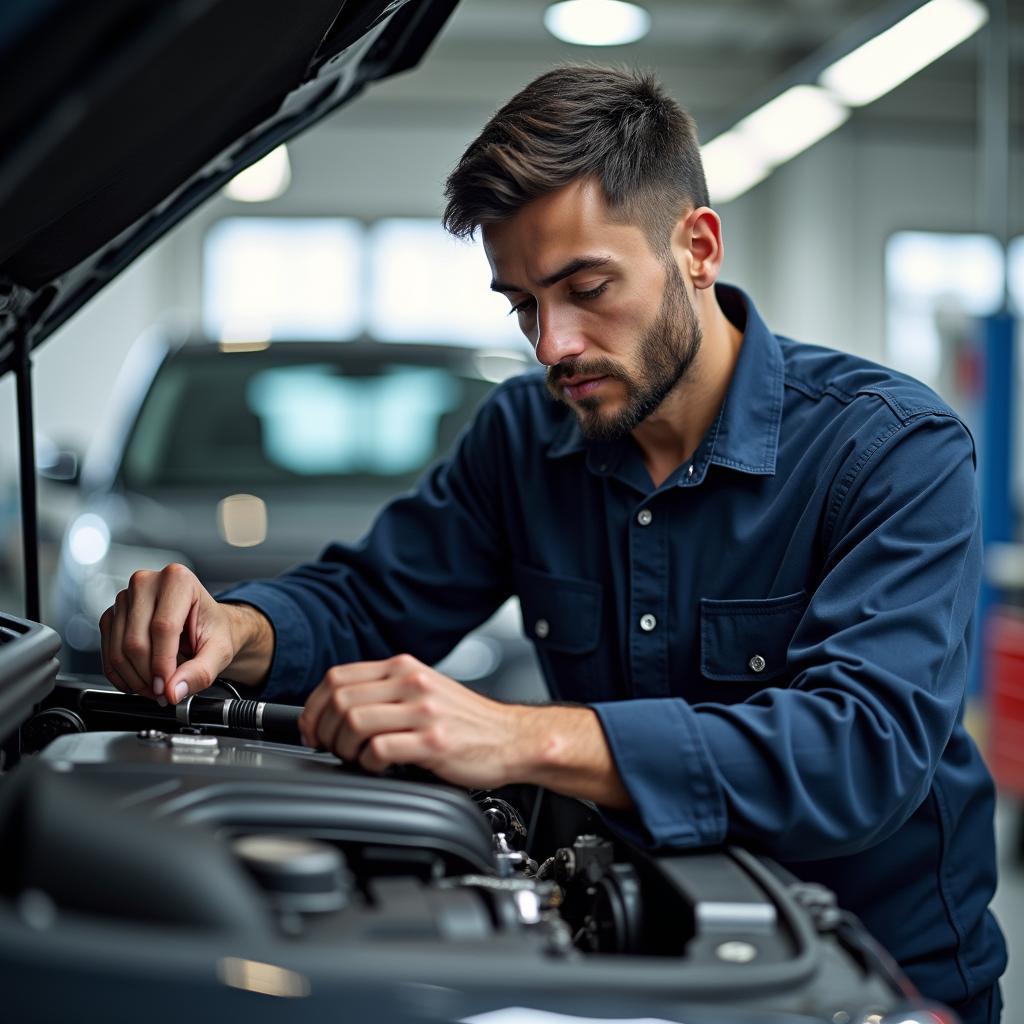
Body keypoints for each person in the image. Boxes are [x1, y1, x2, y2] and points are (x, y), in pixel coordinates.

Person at [99, 66, 1006, 1020]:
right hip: (628, 959)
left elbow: (860, 751)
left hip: (868, 983)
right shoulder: (525, 439)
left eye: (585, 288)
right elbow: (372, 600)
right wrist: (236, 627)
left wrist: (520, 736)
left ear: (696, 248)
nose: (551, 345)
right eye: (523, 304)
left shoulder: (892, 452)